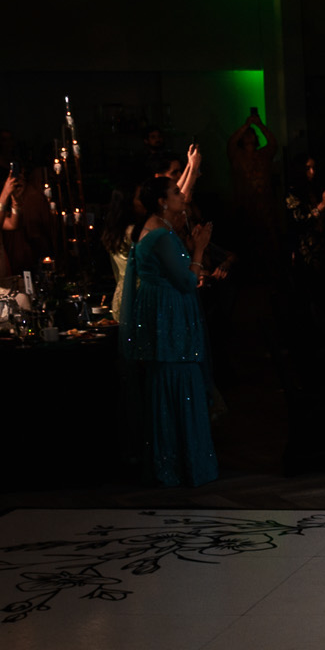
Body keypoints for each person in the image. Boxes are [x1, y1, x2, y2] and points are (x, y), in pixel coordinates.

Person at [120, 174, 219, 487]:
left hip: (162, 310)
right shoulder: (161, 234)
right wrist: (200, 250)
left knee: (167, 384)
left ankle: (172, 462)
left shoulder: (153, 229)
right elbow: (186, 281)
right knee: (180, 381)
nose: (181, 194)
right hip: (170, 316)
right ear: (162, 200)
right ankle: (184, 465)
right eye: (175, 191)